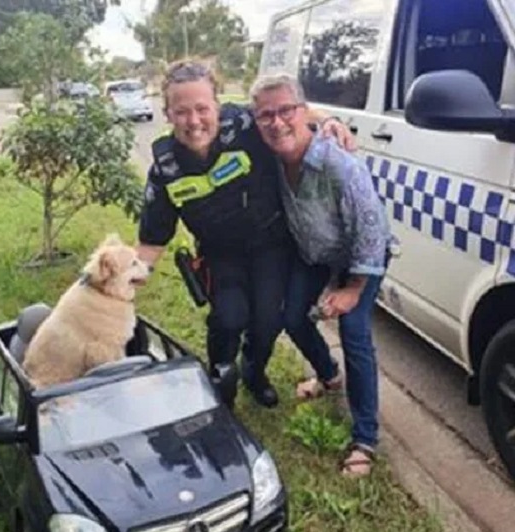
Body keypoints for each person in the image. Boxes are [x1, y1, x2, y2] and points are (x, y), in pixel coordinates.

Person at [135, 59, 356, 408]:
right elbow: (152, 240)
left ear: (217, 106)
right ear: (167, 113)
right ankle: (221, 382)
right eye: (181, 112)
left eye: (202, 109)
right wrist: (120, 285)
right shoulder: (166, 170)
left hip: (270, 246)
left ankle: (254, 372)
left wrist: (329, 121)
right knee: (228, 318)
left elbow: (287, 111)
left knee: (268, 321)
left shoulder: (243, 124)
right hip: (220, 255)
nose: (194, 121)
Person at [249, 73, 395, 477]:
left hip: (359, 258)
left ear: (302, 111)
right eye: (265, 115)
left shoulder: (339, 165)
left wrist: (352, 288)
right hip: (313, 253)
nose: (276, 122)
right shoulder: (273, 157)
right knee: (293, 317)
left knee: (354, 332)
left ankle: (365, 437)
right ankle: (329, 377)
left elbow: (372, 232)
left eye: (286, 111)